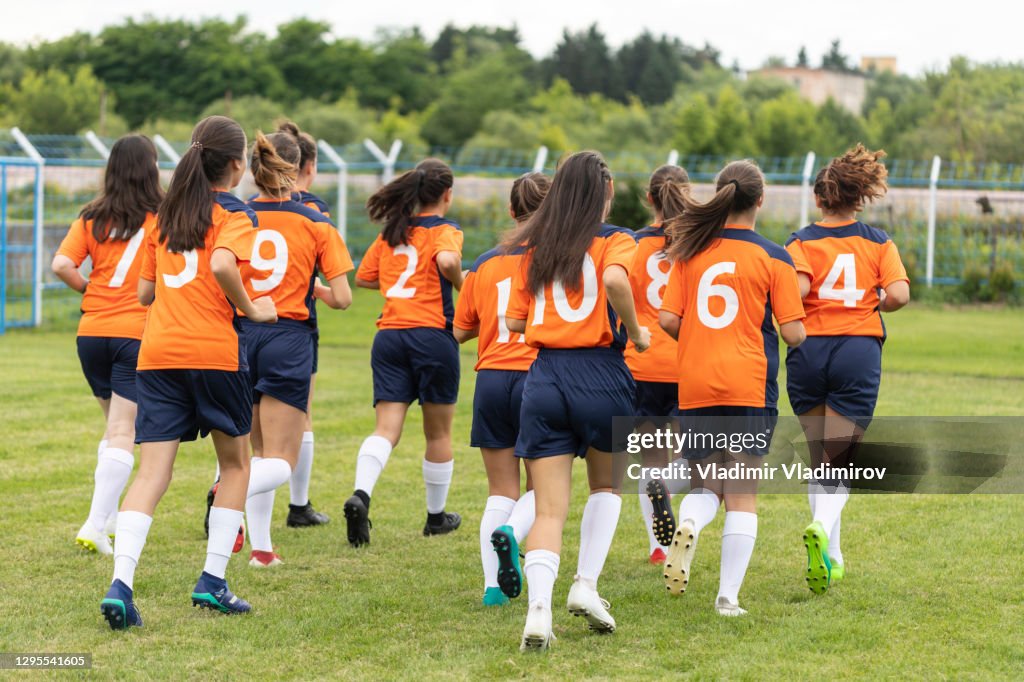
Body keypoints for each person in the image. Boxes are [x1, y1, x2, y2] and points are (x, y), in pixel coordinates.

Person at [98, 115, 277, 630]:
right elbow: (223, 265)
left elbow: (145, 295)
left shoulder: (164, 217)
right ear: (238, 165)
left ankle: (122, 585)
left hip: (157, 355)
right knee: (237, 467)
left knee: (152, 471)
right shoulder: (234, 214)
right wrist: (250, 308)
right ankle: (212, 581)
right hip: (213, 353)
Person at [503, 151, 650, 651]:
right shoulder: (616, 239)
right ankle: (585, 585)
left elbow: (514, 324)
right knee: (606, 487)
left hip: (543, 377)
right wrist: (637, 330)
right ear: (605, 191)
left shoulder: (535, 246)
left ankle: (539, 612)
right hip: (601, 373)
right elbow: (612, 281)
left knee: (548, 509)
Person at [658, 160, 806, 617]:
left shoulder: (691, 250)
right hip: (747, 383)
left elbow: (667, 319)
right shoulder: (774, 256)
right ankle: (727, 598)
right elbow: (794, 333)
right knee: (742, 492)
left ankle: (688, 520)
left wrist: (701, 341)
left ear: (721, 195)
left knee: (707, 483)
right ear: (759, 200)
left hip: (697, 382)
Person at [784, 144, 909, 594]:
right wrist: (868, 302)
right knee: (842, 459)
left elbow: (796, 291)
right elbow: (897, 295)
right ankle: (821, 528)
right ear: (860, 199)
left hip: (809, 350)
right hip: (857, 348)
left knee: (820, 455)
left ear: (820, 199)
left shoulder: (798, 242)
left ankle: (833, 558)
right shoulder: (877, 241)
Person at [240, 131, 353, 568]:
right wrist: (318, 291)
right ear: (299, 169)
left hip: (243, 333)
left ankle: (262, 549)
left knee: (257, 451)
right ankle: (229, 494)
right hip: (288, 337)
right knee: (281, 461)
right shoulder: (316, 222)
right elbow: (343, 297)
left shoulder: (238, 215)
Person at [52, 134, 163, 556]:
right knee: (123, 430)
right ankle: (95, 524)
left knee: (113, 428)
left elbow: (61, 263)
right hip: (135, 332)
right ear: (151, 168)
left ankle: (110, 517)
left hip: (92, 332)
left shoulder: (92, 216)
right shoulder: (161, 216)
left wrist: (87, 289)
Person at [345, 159, 464, 546]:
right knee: (438, 432)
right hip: (432, 336)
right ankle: (435, 517)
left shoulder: (393, 232)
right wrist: (463, 285)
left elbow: (363, 277)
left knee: (386, 429)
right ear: (447, 194)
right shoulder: (446, 230)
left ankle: (361, 494)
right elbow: (447, 260)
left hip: (390, 337)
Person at [453, 172, 550, 606]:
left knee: (500, 489)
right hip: (539, 375)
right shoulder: (558, 259)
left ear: (511, 211)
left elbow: (459, 331)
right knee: (544, 487)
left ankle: (493, 589)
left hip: (491, 378)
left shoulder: (485, 262)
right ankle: (514, 535)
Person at [625, 165, 692, 565]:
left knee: (650, 458)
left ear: (649, 198)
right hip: (687, 364)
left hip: (641, 364)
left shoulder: (630, 245)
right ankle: (672, 494)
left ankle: (658, 546)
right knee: (691, 459)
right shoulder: (697, 245)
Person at [278, 120, 333, 527]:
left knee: (242, 423)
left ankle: (221, 499)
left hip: (247, 320)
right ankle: (299, 506)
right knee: (303, 414)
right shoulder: (313, 210)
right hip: (297, 323)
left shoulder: (248, 205)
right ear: (307, 167)